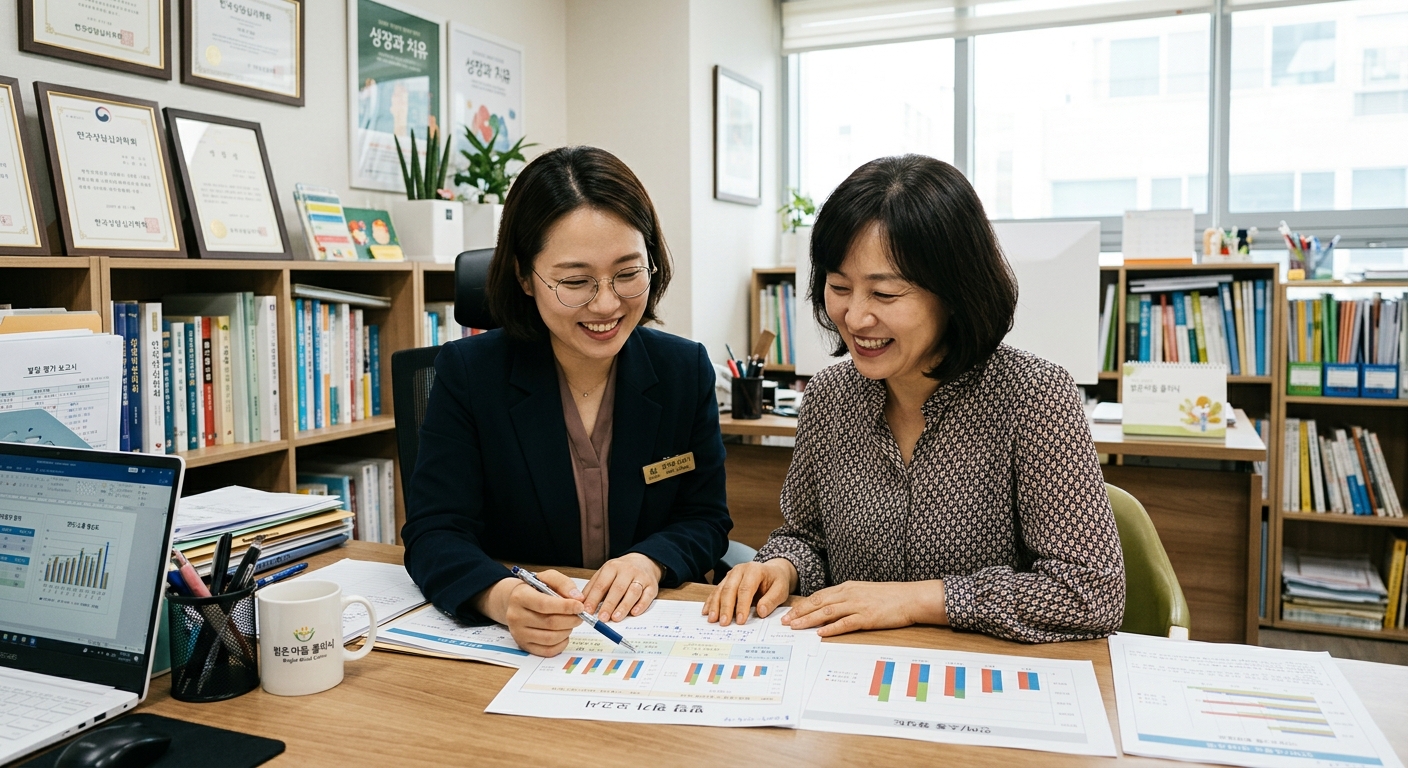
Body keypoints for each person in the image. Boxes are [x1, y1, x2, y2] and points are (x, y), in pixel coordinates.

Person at [704, 154, 1125, 643]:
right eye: (839, 287)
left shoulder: (1034, 397)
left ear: (955, 293)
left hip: (982, 682)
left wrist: (912, 600)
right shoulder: (828, 398)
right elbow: (808, 537)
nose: (855, 316)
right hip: (849, 672)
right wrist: (782, 566)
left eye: (884, 295)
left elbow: (1091, 592)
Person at [404, 146, 732, 657]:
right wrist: (501, 595)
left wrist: (650, 560)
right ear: (523, 276)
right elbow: (435, 531)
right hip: (518, 650)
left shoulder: (682, 370)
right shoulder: (469, 374)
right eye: (575, 282)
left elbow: (705, 519)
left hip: (641, 638)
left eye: (628, 274)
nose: (606, 304)